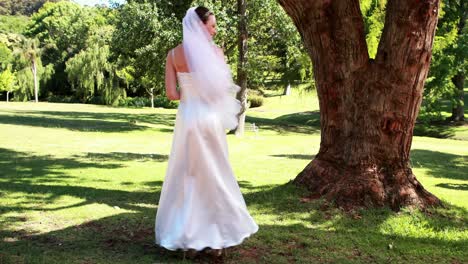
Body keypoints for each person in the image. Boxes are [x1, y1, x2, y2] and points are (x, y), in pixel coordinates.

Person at [154, 6, 259, 258]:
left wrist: (188, 94)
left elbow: (171, 94)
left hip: (188, 120)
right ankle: (217, 240)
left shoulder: (173, 54)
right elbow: (221, 91)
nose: (214, 30)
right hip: (210, 120)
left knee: (187, 176)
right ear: (200, 26)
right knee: (215, 175)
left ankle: (189, 240)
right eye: (212, 26)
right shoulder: (215, 53)